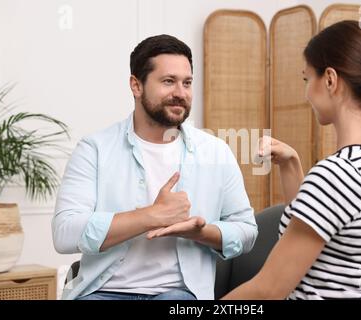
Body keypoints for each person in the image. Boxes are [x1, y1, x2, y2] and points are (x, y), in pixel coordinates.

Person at [222, 20, 361, 300]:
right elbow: (327, 241)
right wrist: (291, 164)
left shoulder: (339, 174)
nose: (306, 94)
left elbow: (268, 290)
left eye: (307, 79)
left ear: (330, 80)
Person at [52, 34, 258, 300]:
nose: (180, 93)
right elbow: (65, 232)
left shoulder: (216, 152)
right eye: (168, 81)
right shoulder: (94, 149)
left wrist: (201, 232)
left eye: (187, 83)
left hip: (178, 293)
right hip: (103, 291)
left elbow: (247, 230)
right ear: (136, 86)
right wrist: (152, 216)